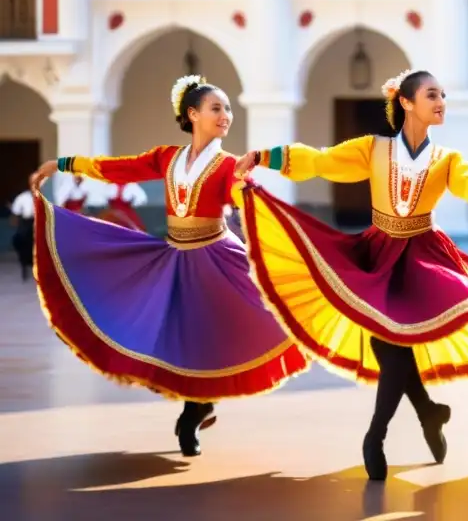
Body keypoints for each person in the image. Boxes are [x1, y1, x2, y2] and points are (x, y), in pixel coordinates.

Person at [233, 69, 468, 482]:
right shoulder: (373, 149)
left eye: (442, 95)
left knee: (393, 348)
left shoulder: (447, 160)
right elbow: (320, 160)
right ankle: (428, 411)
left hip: (420, 259)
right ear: (406, 102)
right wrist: (265, 157)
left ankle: (376, 435)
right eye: (431, 95)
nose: (441, 101)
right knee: (391, 349)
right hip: (376, 254)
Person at [29, 75, 309, 457]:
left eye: (228, 109)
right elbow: (117, 168)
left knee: (217, 335)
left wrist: (266, 215)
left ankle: (193, 413)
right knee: (174, 336)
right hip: (175, 256)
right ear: (192, 114)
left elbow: (247, 202)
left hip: (217, 258)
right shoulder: (167, 157)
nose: (226, 115)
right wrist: (62, 163)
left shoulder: (229, 166)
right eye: (216, 108)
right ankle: (198, 404)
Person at [9, 180, 34, 281]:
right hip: (26, 221)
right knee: (19, 240)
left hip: (39, 220)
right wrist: (14, 221)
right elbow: (15, 212)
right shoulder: (23, 197)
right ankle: (24, 263)